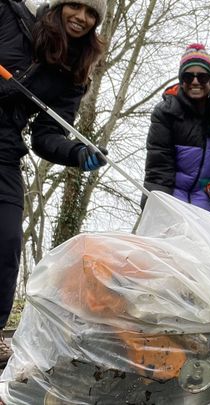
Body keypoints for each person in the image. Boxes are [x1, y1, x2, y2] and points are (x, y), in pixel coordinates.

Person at [0, 0, 108, 366]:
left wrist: (77, 154)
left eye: (91, 13)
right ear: (61, 6)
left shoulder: (72, 70)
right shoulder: (12, 18)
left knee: (8, 240)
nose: (81, 18)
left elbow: (46, 136)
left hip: (4, 149)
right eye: (75, 7)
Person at [142, 43, 210, 215]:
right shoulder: (165, 112)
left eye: (202, 77)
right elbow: (158, 164)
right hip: (171, 195)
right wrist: (153, 204)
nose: (195, 82)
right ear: (182, 80)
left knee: (202, 241)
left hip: (205, 197)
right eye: (189, 77)